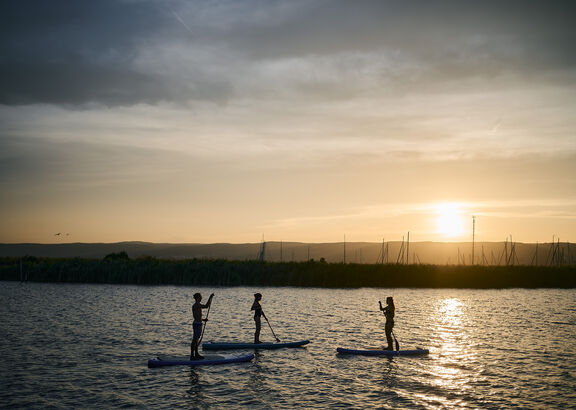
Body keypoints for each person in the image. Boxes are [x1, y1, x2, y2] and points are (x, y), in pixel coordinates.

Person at [191, 292, 214, 360]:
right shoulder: (196, 305)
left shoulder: (197, 305)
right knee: (194, 340)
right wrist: (210, 297)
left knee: (197, 340)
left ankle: (196, 354)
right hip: (197, 324)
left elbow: (197, 316)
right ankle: (192, 356)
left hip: (198, 323)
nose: (201, 298)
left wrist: (203, 319)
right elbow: (206, 306)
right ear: (197, 298)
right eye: (200, 297)